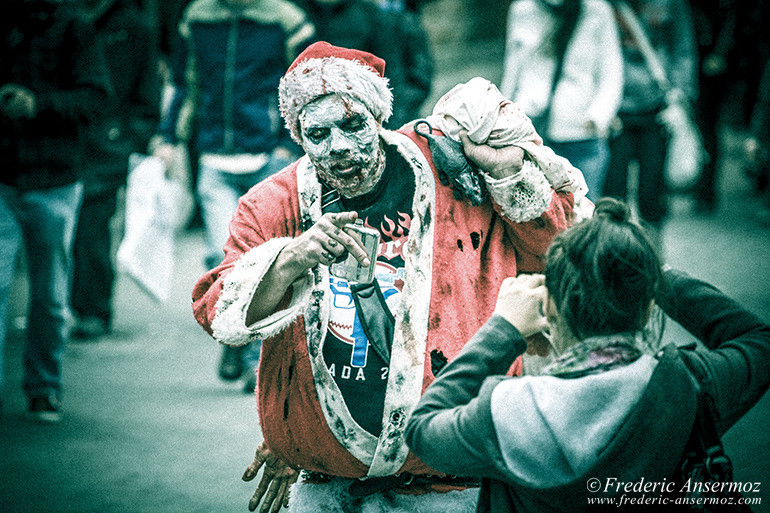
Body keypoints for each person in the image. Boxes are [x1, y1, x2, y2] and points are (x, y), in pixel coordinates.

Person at [191, 42, 581, 512]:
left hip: (452, 483)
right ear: (298, 135)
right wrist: (291, 259)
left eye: (353, 125)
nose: (339, 146)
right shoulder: (275, 203)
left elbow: (560, 250)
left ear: (378, 118)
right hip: (327, 483)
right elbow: (222, 313)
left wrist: (506, 168)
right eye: (318, 133)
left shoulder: (451, 171)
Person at [405, 197, 770, 512]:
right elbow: (757, 338)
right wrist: (644, 270)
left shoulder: (504, 413)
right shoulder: (690, 384)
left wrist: (503, 328)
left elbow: (422, 429)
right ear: (646, 308)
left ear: (548, 306)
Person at [152, 0, 315, 390]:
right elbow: (182, 80)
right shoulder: (197, 17)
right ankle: (233, 334)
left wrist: (286, 144)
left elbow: (305, 83)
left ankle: (249, 355)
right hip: (214, 153)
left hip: (268, 156)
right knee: (218, 255)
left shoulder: (285, 19)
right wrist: (168, 133)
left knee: (267, 260)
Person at [0, 0, 111, 421]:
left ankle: (44, 387)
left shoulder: (72, 27)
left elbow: (97, 98)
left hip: (55, 178)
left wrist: (37, 105)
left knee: (48, 293)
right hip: (6, 176)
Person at [70, 0, 161, 340]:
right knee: (72, 231)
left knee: (91, 227)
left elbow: (147, 89)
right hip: (69, 138)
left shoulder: (132, 26)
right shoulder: (63, 20)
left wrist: (128, 137)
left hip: (108, 144)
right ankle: (72, 306)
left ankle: (91, 309)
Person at [500, 0, 623, 202]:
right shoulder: (523, 10)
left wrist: (598, 116)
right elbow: (512, 68)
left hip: (580, 131)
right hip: (530, 128)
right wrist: (503, 113)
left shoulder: (597, 11)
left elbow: (611, 69)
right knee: (534, 211)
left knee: (582, 210)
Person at [601, 0, 697, 240]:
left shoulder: (671, 4)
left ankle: (653, 260)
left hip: (656, 107)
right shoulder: (604, 5)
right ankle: (612, 256)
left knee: (652, 193)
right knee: (612, 195)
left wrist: (680, 97)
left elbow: (683, 49)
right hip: (614, 109)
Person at [291, 0, 434, 130]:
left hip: (372, 119)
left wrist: (387, 129)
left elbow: (395, 78)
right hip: (312, 123)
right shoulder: (294, 16)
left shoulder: (372, 15)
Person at [690, 0, 736, 214]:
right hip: (692, 68)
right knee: (692, 130)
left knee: (708, 132)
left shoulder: (725, 7)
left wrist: (720, 54)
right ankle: (694, 185)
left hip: (712, 75)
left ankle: (705, 191)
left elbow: (732, 25)